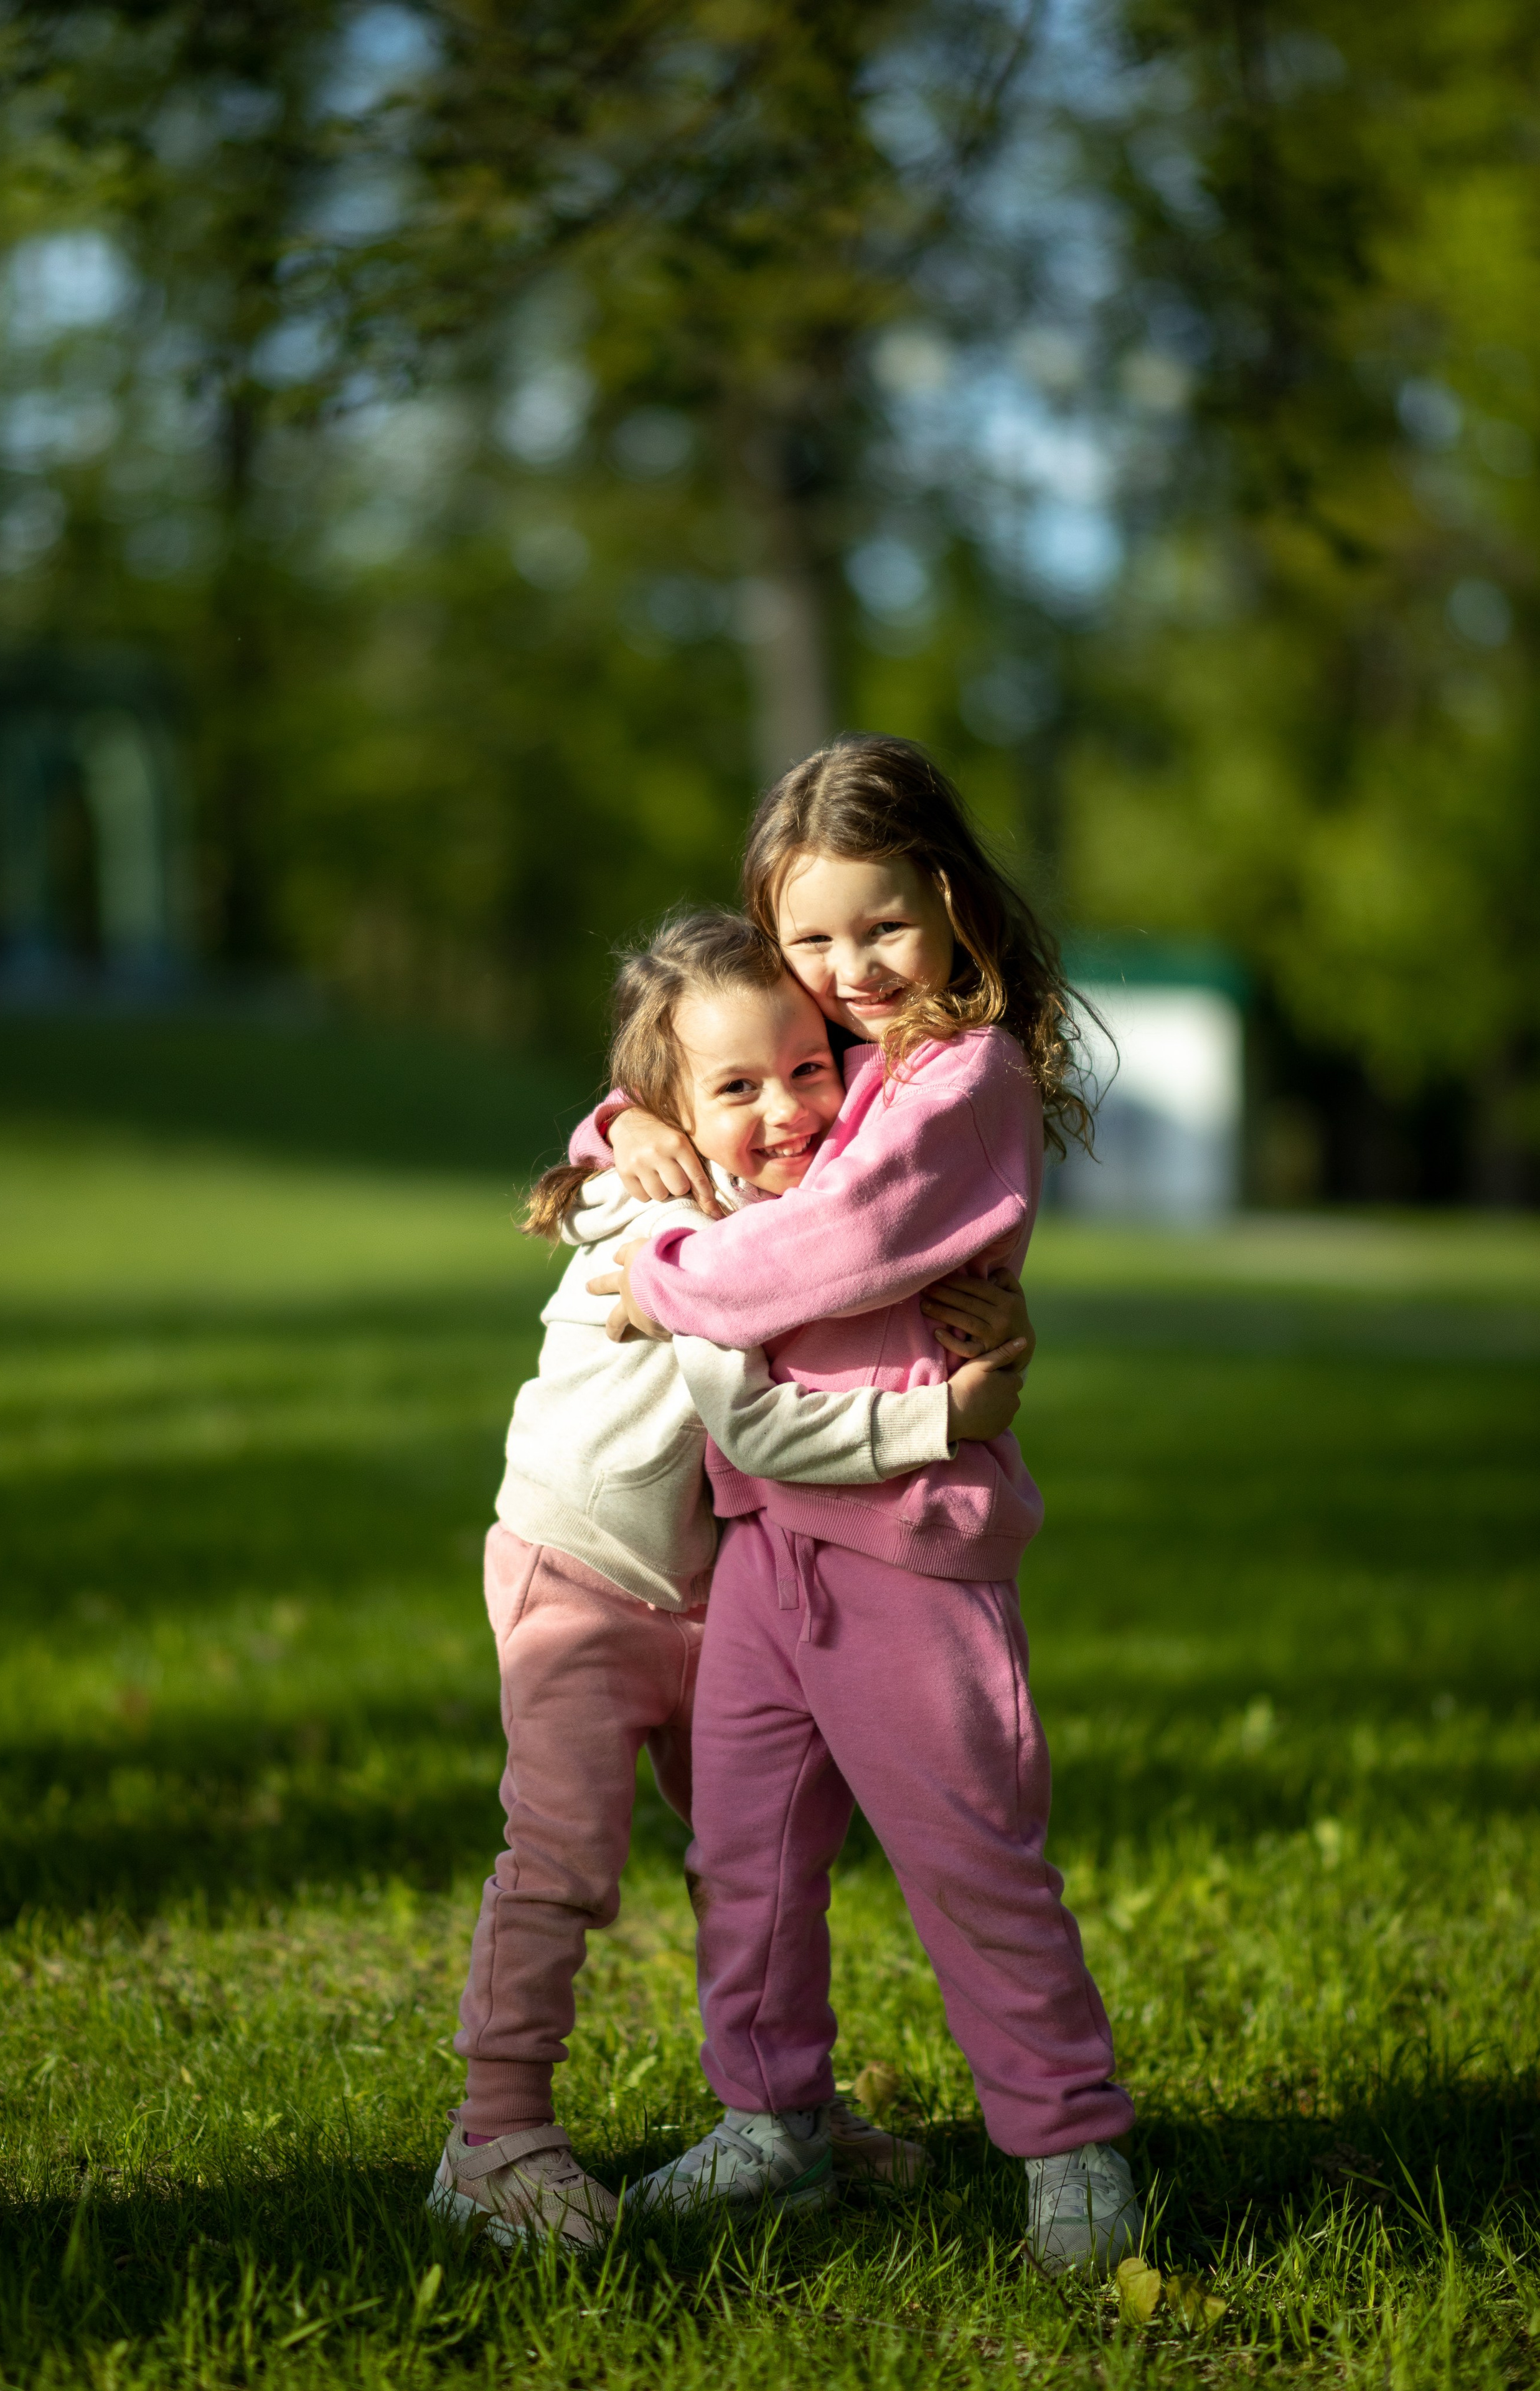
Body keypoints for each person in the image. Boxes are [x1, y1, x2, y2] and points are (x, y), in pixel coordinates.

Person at [583, 735, 1142, 2276]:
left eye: (880, 925)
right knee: (744, 1860)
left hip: (909, 1551)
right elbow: (687, 1082)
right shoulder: (827, 1051)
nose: (847, 968)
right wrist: (618, 1133)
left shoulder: (962, 1080)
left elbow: (824, 1251)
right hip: (764, 1548)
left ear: (950, 900)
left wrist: (661, 1275)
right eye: (811, 939)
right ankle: (776, 2127)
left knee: (970, 1862)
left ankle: (1067, 2144)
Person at [428, 908, 1031, 2251]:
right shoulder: (662, 1214)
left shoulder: (784, 1201)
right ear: (667, 1105)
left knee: (755, 1859)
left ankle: (783, 2110)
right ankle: (492, 2135)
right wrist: (951, 1418)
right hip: (578, 1579)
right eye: (737, 1087)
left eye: (807, 1070)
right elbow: (754, 1426)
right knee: (563, 1858)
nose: (785, 1107)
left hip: (710, 1595)